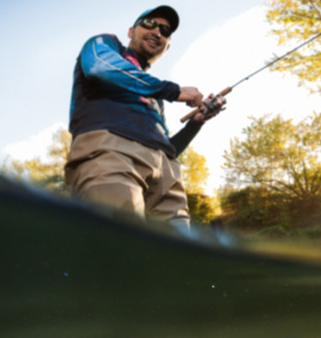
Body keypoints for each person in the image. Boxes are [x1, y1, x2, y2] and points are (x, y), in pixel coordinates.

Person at [64, 5, 224, 231]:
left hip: (167, 175)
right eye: (149, 24)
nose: (157, 32)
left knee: (174, 258)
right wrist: (173, 90)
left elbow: (168, 149)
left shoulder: (156, 96)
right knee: (119, 246)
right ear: (131, 31)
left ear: (167, 47)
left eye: (165, 31)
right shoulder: (106, 44)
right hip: (112, 152)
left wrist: (196, 122)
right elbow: (99, 67)